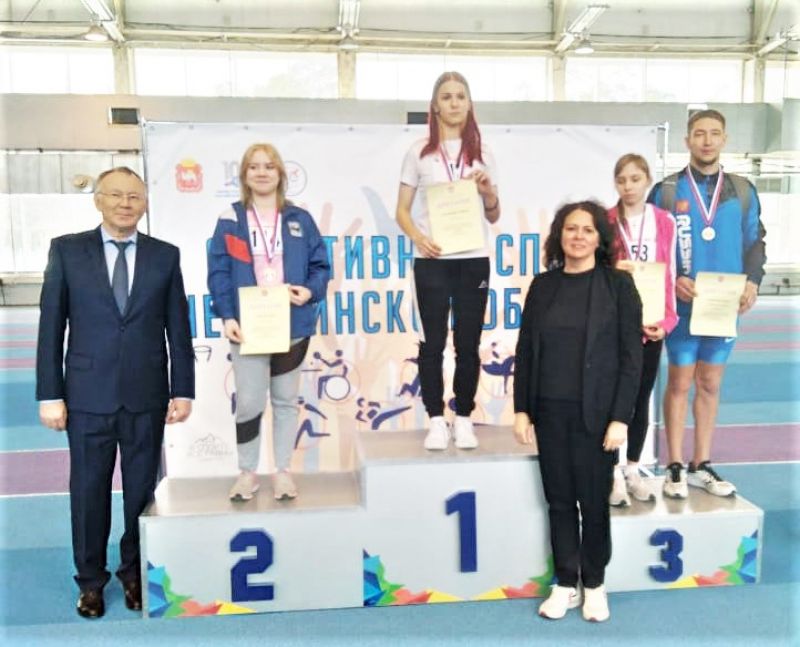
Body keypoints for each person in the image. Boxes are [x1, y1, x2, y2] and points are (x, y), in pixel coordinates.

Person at [36, 167, 195, 619]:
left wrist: (183, 389)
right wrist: (50, 394)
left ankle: (134, 574)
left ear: (145, 204)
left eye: (134, 197)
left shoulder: (165, 256)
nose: (125, 204)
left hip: (147, 395)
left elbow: (177, 328)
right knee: (88, 493)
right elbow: (51, 327)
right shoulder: (67, 251)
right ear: (98, 201)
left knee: (142, 493)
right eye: (116, 195)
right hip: (86, 397)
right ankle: (90, 581)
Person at [513, 201, 642, 622]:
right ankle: (566, 582)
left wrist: (621, 417)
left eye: (587, 229)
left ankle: (595, 583)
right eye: (571, 228)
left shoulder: (618, 286)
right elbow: (526, 351)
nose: (579, 236)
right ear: (560, 235)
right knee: (559, 501)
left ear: (600, 238)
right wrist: (522, 410)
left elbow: (631, 359)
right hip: (550, 412)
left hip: (598, 418)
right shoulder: (543, 286)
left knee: (593, 502)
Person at [648, 110, 766, 498]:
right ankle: (674, 465)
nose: (707, 140)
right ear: (687, 141)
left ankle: (701, 463)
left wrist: (752, 281)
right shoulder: (667, 191)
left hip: (723, 305)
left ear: (724, 139)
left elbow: (755, 242)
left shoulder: (743, 191)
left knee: (711, 383)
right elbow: (651, 246)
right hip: (683, 307)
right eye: (699, 133)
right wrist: (671, 280)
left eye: (715, 133)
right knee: (680, 382)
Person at [208, 143, 330, 502]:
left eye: (269, 166)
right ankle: (247, 472)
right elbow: (219, 271)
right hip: (248, 326)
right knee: (249, 402)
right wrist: (227, 315)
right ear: (244, 175)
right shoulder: (230, 219)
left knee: (286, 401)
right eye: (254, 167)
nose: (261, 173)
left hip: (292, 324)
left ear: (281, 174)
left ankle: (282, 472)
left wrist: (310, 291)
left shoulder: (300, 219)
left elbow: (320, 265)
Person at [395, 70, 500, 450]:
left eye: (460, 96)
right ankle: (436, 419)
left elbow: (493, 214)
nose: (454, 102)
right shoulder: (419, 153)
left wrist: (487, 194)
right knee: (432, 344)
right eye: (446, 96)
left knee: (468, 343)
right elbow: (401, 211)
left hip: (473, 260)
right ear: (435, 106)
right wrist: (419, 239)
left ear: (469, 104)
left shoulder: (484, 154)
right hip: (433, 261)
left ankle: (465, 417)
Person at [607, 154, 678, 507]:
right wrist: (612, 268)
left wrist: (667, 322)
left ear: (648, 180)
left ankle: (633, 468)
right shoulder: (606, 221)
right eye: (622, 180)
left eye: (635, 179)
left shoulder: (664, 221)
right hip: (615, 326)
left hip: (651, 326)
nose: (628, 186)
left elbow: (670, 273)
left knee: (640, 398)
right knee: (611, 398)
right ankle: (611, 472)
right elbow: (596, 275)